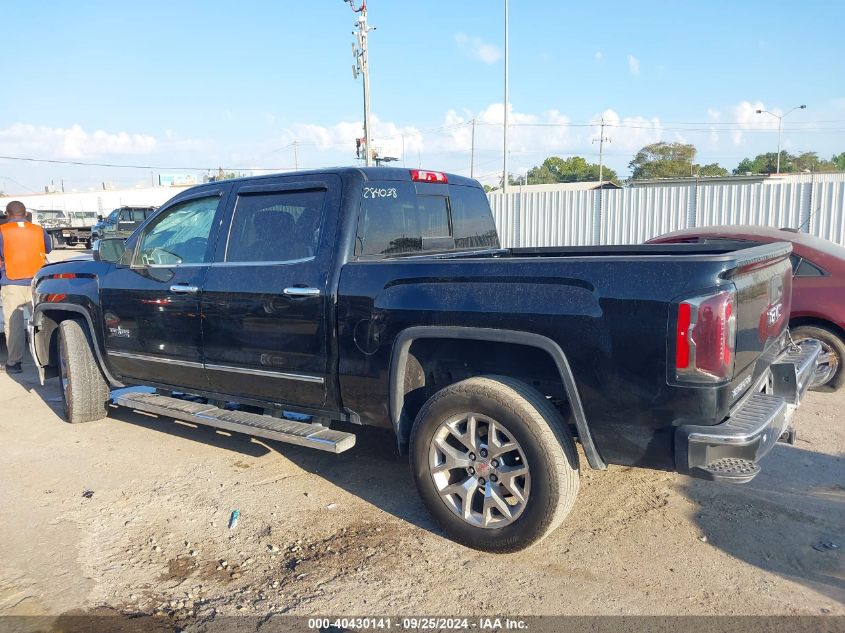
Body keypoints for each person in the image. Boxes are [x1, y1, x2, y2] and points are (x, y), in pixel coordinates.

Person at [0, 201, 51, 374]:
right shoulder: (38, 230)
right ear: (25, 213)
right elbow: (48, 249)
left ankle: (14, 363)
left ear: (8, 214)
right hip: (38, 283)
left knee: (13, 325)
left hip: (12, 282)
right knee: (42, 323)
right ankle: (48, 360)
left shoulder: (2, 231)